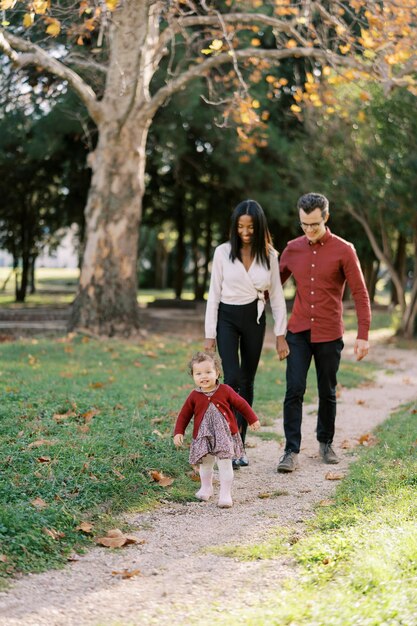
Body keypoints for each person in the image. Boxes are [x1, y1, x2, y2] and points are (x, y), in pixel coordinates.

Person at [277, 192, 371, 473]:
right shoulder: (292, 249)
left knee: (327, 390)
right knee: (294, 389)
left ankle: (325, 443)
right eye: (304, 224)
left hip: (330, 332)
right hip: (298, 330)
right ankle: (290, 450)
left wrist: (363, 334)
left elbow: (360, 293)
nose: (308, 230)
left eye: (314, 225)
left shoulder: (344, 249)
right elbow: (272, 288)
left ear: (326, 218)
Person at [204, 199, 288, 469]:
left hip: (255, 318)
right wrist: (210, 334)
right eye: (240, 226)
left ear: (259, 226)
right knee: (232, 378)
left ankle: (240, 443)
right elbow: (213, 294)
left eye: (250, 226)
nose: (245, 231)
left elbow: (276, 296)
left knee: (248, 381)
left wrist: (280, 334)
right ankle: (227, 439)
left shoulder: (270, 256)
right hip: (227, 318)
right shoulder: (222, 252)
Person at [173, 351, 260, 508]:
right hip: (203, 436)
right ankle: (206, 488)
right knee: (205, 464)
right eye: (198, 373)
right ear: (192, 375)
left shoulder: (225, 390)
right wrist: (179, 431)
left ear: (217, 372)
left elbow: (241, 403)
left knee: (225, 463)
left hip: (223, 435)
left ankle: (225, 494)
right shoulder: (194, 396)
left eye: (208, 372)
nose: (203, 376)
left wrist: (252, 418)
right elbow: (184, 415)